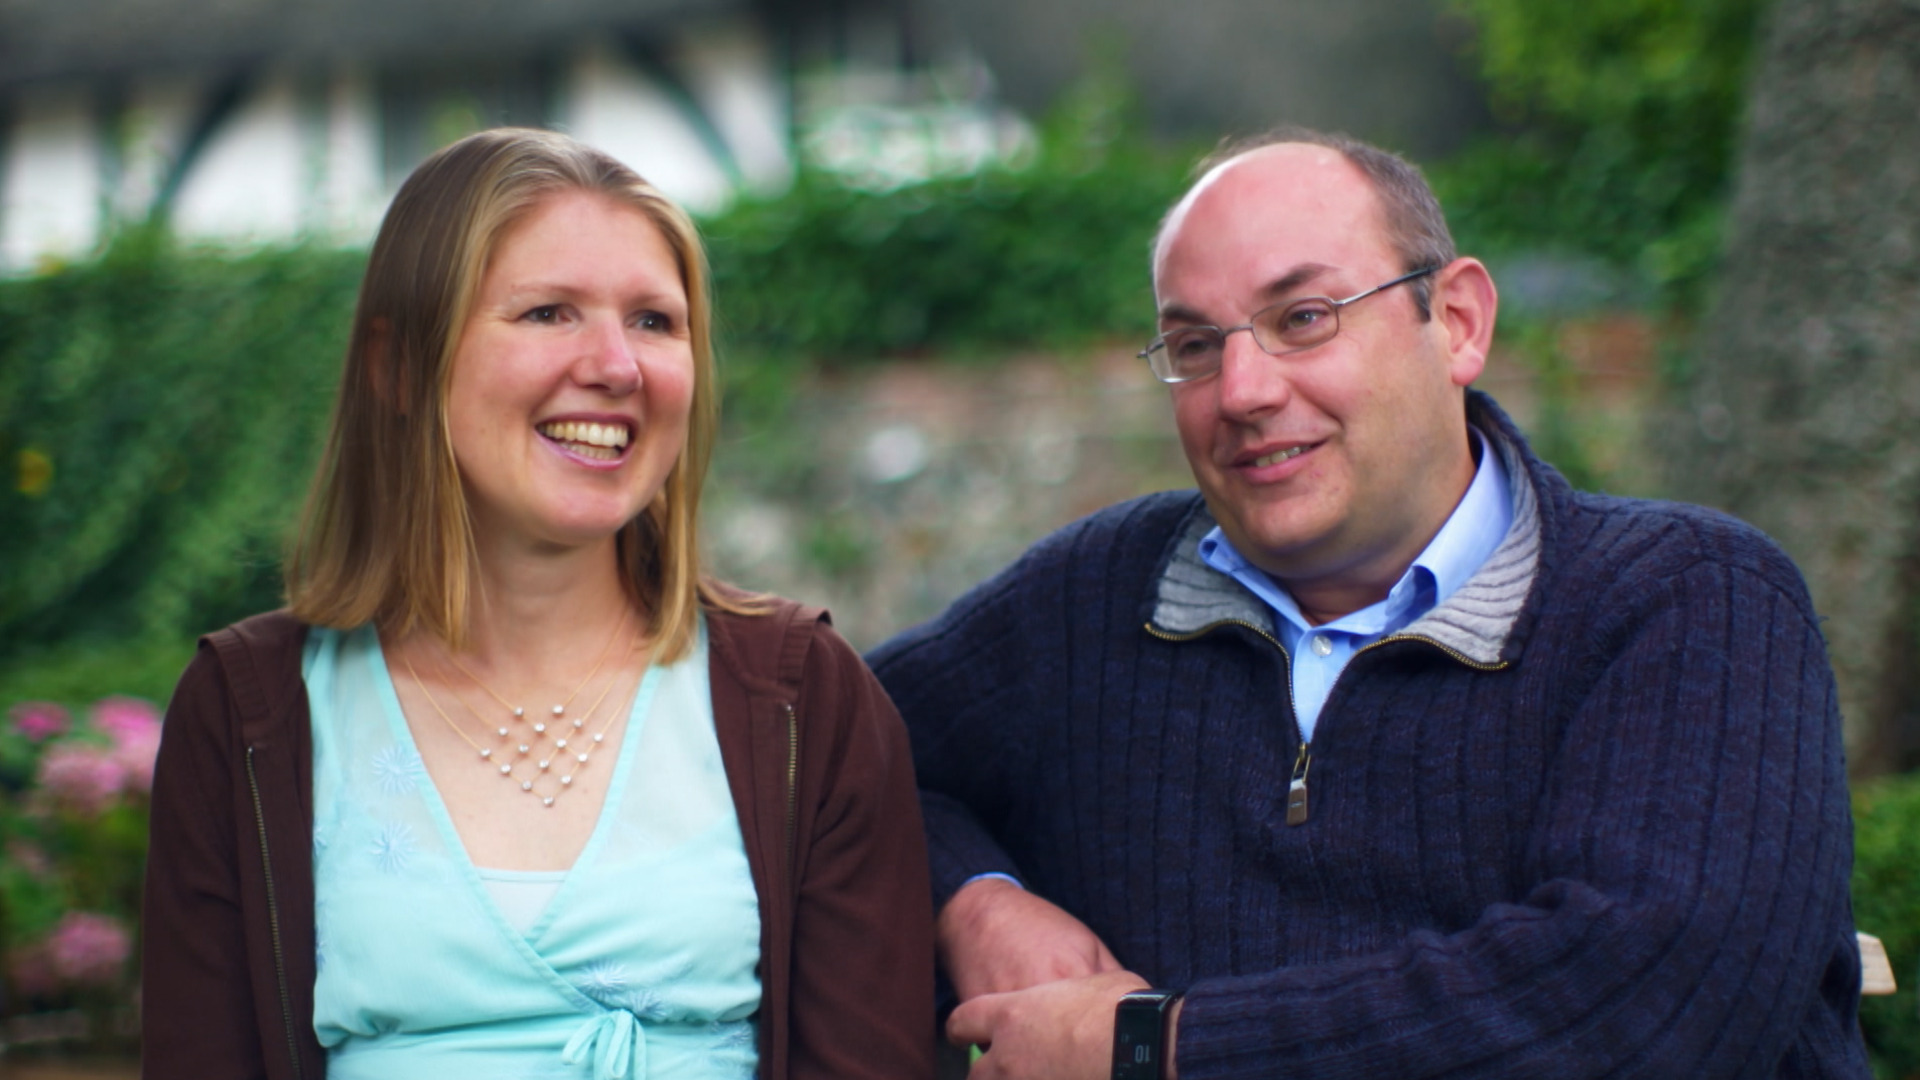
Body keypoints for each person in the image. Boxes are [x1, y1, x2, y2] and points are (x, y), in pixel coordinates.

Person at [868, 128, 1868, 1079]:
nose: (1243, 390)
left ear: (1459, 322)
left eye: (1303, 318)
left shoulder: (1690, 601)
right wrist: (975, 903)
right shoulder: (1092, 599)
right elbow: (835, 760)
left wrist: (1157, 1050)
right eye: (1195, 344)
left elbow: (1640, 1012)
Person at [141, 127, 935, 1080]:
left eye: (654, 321)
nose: (617, 366)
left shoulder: (804, 697)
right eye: (550, 312)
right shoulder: (248, 713)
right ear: (399, 367)